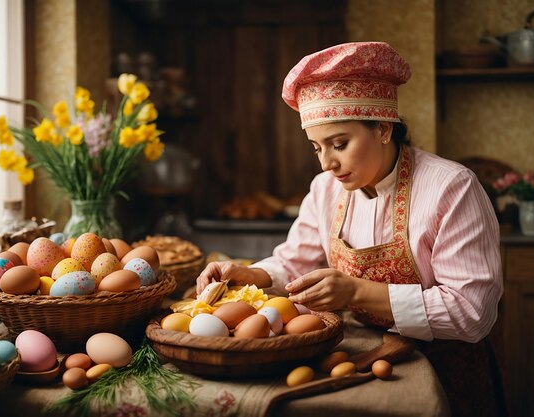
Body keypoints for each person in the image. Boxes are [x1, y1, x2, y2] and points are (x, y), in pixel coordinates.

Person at [196, 42, 505, 417]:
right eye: (317, 148)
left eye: (339, 144)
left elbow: (473, 312)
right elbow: (296, 264)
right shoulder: (326, 189)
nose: (328, 163)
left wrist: (356, 290)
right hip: (361, 357)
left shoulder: (451, 188)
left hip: (447, 366)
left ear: (383, 129)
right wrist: (251, 274)